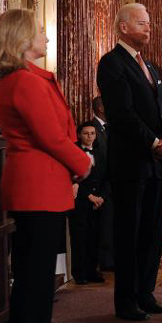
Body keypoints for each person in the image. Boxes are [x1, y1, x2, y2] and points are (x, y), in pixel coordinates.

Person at [0, 9, 92, 323]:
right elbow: (50, 136)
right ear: (22, 39)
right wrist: (84, 163)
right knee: (34, 280)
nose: (46, 37)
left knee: (37, 278)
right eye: (40, 32)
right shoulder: (26, 81)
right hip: (37, 187)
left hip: (40, 185)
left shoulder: (26, 78)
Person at [96, 3, 162, 322]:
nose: (149, 28)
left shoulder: (152, 67)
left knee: (151, 233)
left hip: (154, 164)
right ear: (123, 27)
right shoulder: (111, 63)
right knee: (129, 234)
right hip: (130, 163)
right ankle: (126, 300)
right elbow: (122, 113)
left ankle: (146, 292)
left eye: (149, 23)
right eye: (142, 23)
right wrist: (153, 142)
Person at [69, 122, 108, 285]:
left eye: (92, 133)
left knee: (95, 237)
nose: (90, 136)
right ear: (79, 135)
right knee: (80, 238)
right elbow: (71, 177)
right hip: (80, 202)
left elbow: (107, 176)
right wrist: (89, 196)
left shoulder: (100, 152)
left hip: (98, 201)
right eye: (86, 133)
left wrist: (102, 197)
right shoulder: (73, 151)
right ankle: (79, 273)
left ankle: (92, 271)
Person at [90, 97, 114, 272]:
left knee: (111, 222)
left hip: (111, 181)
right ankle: (105, 261)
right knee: (104, 225)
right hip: (99, 183)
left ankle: (112, 257)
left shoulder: (110, 127)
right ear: (101, 108)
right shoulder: (92, 129)